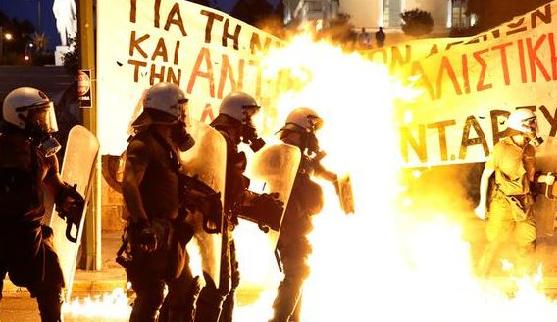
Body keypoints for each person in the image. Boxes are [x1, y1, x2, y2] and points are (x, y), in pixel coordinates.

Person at [195, 91, 281, 322]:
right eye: (249, 115)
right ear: (239, 115)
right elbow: (228, 188)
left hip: (220, 221)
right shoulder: (222, 141)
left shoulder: (221, 138)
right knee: (218, 286)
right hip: (213, 222)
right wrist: (256, 200)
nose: (252, 123)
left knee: (230, 283)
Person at [0, 87, 84, 322]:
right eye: (38, 116)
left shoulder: (44, 153)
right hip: (1, 229)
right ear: (20, 116)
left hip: (28, 232)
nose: (43, 122)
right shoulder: (3, 149)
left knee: (52, 281)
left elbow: (54, 183)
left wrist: (66, 198)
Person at [120, 82, 199, 322]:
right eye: (180, 109)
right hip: (152, 231)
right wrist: (143, 225)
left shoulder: (168, 144)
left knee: (184, 290)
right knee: (151, 295)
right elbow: (130, 184)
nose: (184, 115)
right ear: (171, 111)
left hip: (170, 231)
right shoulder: (143, 143)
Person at [269, 107, 337, 322]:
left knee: (298, 277)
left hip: (297, 225)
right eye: (310, 130)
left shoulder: (299, 156)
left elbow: (315, 169)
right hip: (287, 225)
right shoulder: (284, 154)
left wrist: (337, 181)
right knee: (297, 274)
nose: (313, 135)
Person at [475, 108, 552, 277]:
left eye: (533, 122)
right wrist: (482, 205)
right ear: (521, 126)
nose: (534, 126)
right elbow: (486, 175)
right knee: (495, 242)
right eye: (531, 123)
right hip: (503, 203)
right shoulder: (501, 148)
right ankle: (480, 278)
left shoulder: (530, 150)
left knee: (527, 242)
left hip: (525, 203)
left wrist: (544, 179)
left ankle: (525, 281)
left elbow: (528, 178)